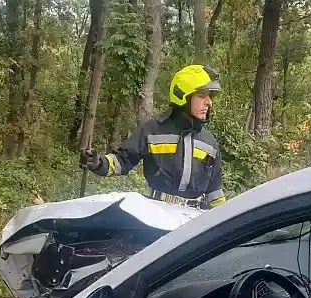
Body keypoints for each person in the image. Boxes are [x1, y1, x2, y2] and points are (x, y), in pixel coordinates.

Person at [79, 65, 226, 210]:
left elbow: (215, 194)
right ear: (182, 96)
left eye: (210, 97)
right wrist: (99, 163)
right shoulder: (153, 130)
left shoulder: (210, 143)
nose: (209, 102)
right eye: (201, 96)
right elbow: (123, 159)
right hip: (155, 213)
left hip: (194, 219)